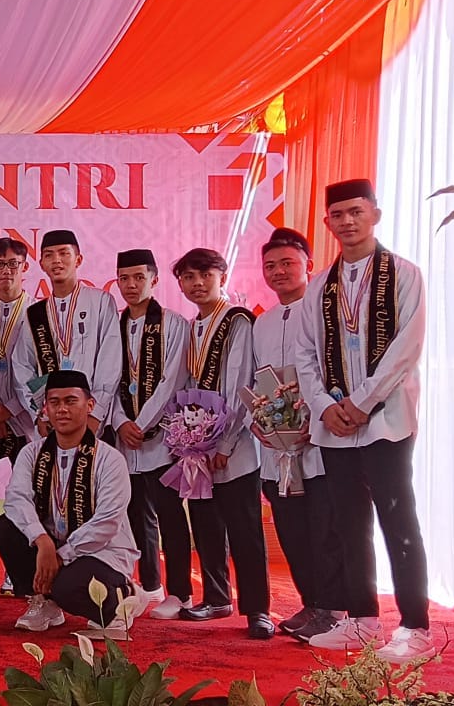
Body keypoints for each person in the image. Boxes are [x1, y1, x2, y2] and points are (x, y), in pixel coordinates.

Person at [294, 179, 431, 663]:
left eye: (356, 211)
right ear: (328, 222)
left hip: (387, 419)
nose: (347, 221)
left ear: (375, 214)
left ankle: (415, 626)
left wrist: (363, 402)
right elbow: (305, 354)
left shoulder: (405, 274)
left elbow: (406, 348)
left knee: (398, 519)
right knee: (348, 523)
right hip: (334, 423)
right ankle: (362, 621)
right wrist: (324, 406)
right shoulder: (318, 287)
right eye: (338, 214)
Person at [172, 248, 273, 639]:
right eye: (188, 277)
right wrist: (188, 437)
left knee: (244, 528)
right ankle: (216, 597)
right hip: (197, 448)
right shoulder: (190, 327)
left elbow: (241, 383)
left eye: (206, 275)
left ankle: (258, 609)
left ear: (222, 277)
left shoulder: (237, 321)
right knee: (205, 524)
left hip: (235, 447)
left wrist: (225, 442)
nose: (197, 283)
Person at [252, 228, 345, 641]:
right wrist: (259, 420)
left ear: (308, 264)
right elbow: (259, 381)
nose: (278, 272)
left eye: (287, 263)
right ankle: (312, 603)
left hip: (321, 442)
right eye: (270, 265)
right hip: (278, 448)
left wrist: (316, 417)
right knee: (291, 531)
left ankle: (334, 609)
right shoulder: (263, 323)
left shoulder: (327, 313)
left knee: (325, 530)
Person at [0, 371, 138, 633]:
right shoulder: (32, 453)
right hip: (52, 544)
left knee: (69, 588)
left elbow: (107, 522)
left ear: (89, 405)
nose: (62, 409)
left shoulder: (109, 459)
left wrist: (60, 556)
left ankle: (122, 598)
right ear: (45, 408)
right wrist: (42, 541)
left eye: (71, 401)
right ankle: (44, 600)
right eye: (54, 402)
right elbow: (16, 499)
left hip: (100, 552)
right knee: (7, 527)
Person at [109, 248, 192, 620]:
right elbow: (107, 378)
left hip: (160, 438)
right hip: (124, 438)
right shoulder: (113, 325)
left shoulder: (174, 324)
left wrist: (141, 423)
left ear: (154, 280)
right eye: (124, 278)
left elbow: (172, 379)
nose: (131, 285)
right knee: (134, 513)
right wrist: (119, 421)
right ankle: (149, 584)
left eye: (139, 277)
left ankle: (181, 592)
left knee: (170, 514)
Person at [11, 230, 122, 440]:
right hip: (51, 420)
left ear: (78, 260)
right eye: (49, 255)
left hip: (91, 418)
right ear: (42, 264)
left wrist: (96, 414)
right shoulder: (35, 313)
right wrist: (39, 414)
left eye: (64, 253)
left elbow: (110, 361)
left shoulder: (101, 301)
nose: (56, 260)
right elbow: (22, 365)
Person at [0, 237, 37, 600]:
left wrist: (12, 408)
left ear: (25, 267)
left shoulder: (39, 314)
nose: (6, 271)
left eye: (13, 263)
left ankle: (19, 569)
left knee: (25, 496)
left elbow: (43, 372)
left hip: (24, 421)